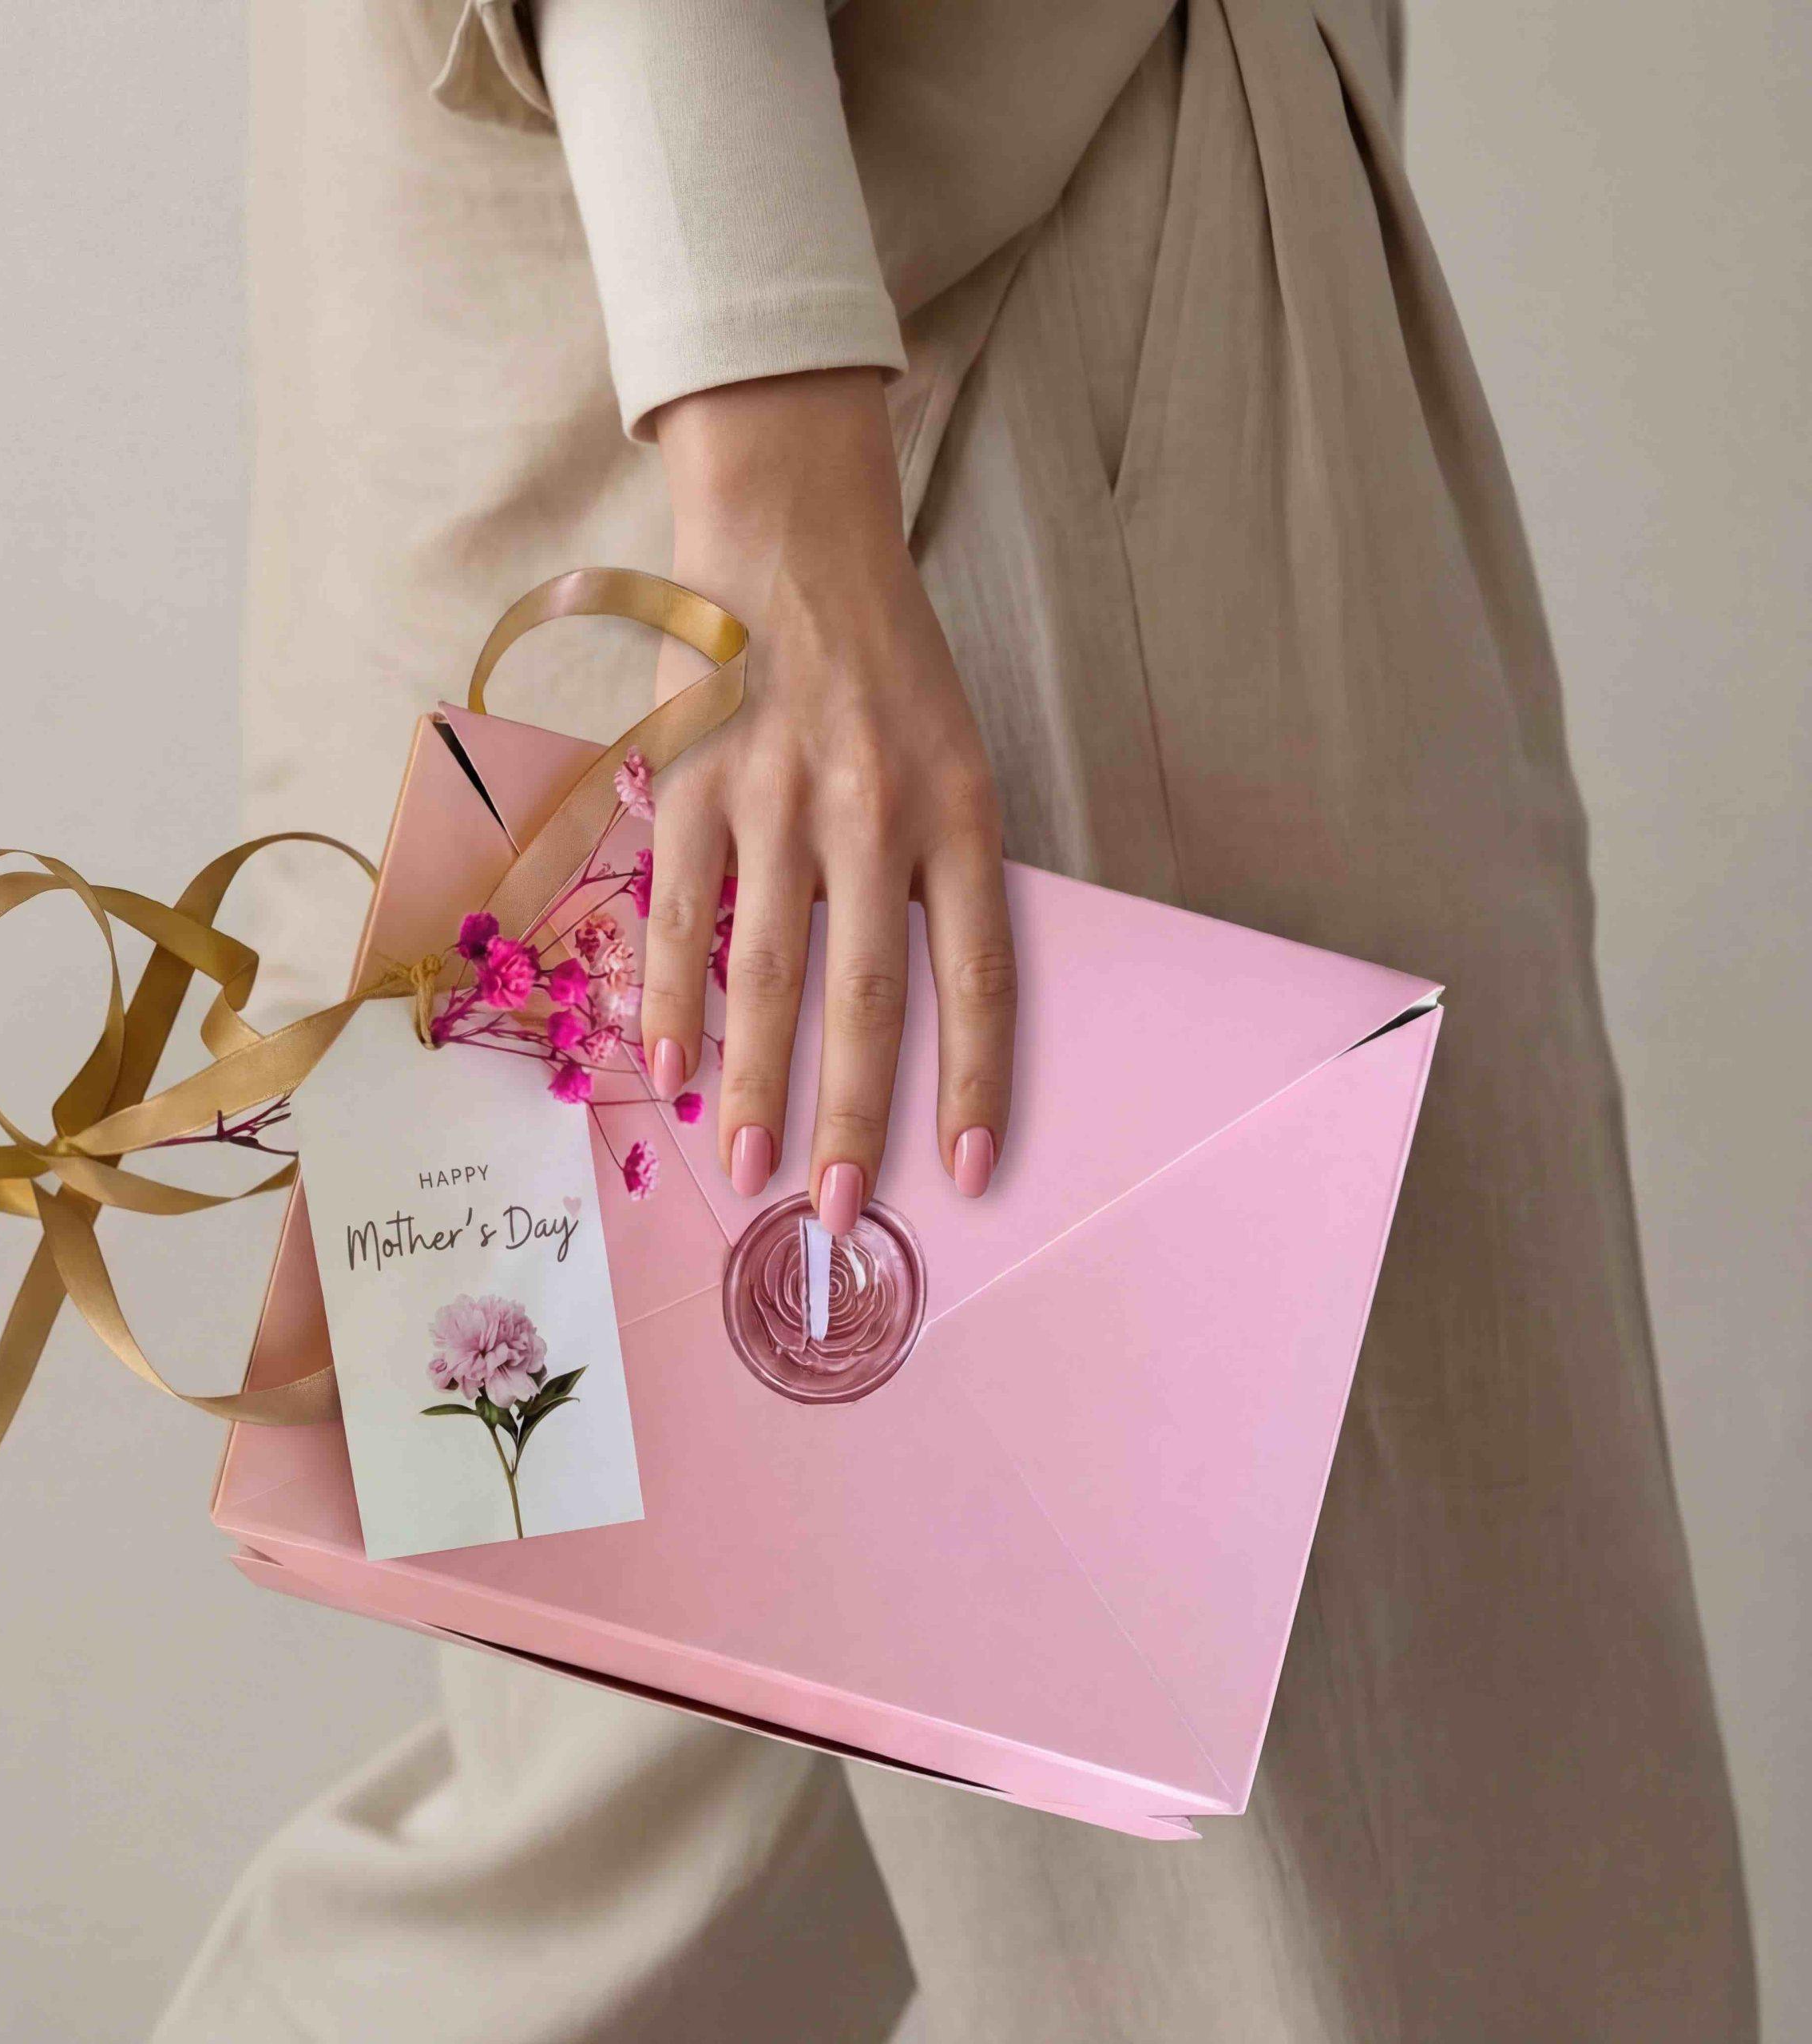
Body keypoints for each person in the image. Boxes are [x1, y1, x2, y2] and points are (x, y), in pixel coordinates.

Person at [156, 3, 1756, 2038]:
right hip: (918, 467)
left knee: (626, 1864)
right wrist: (770, 465)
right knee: (1391, 1879)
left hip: (713, 475)